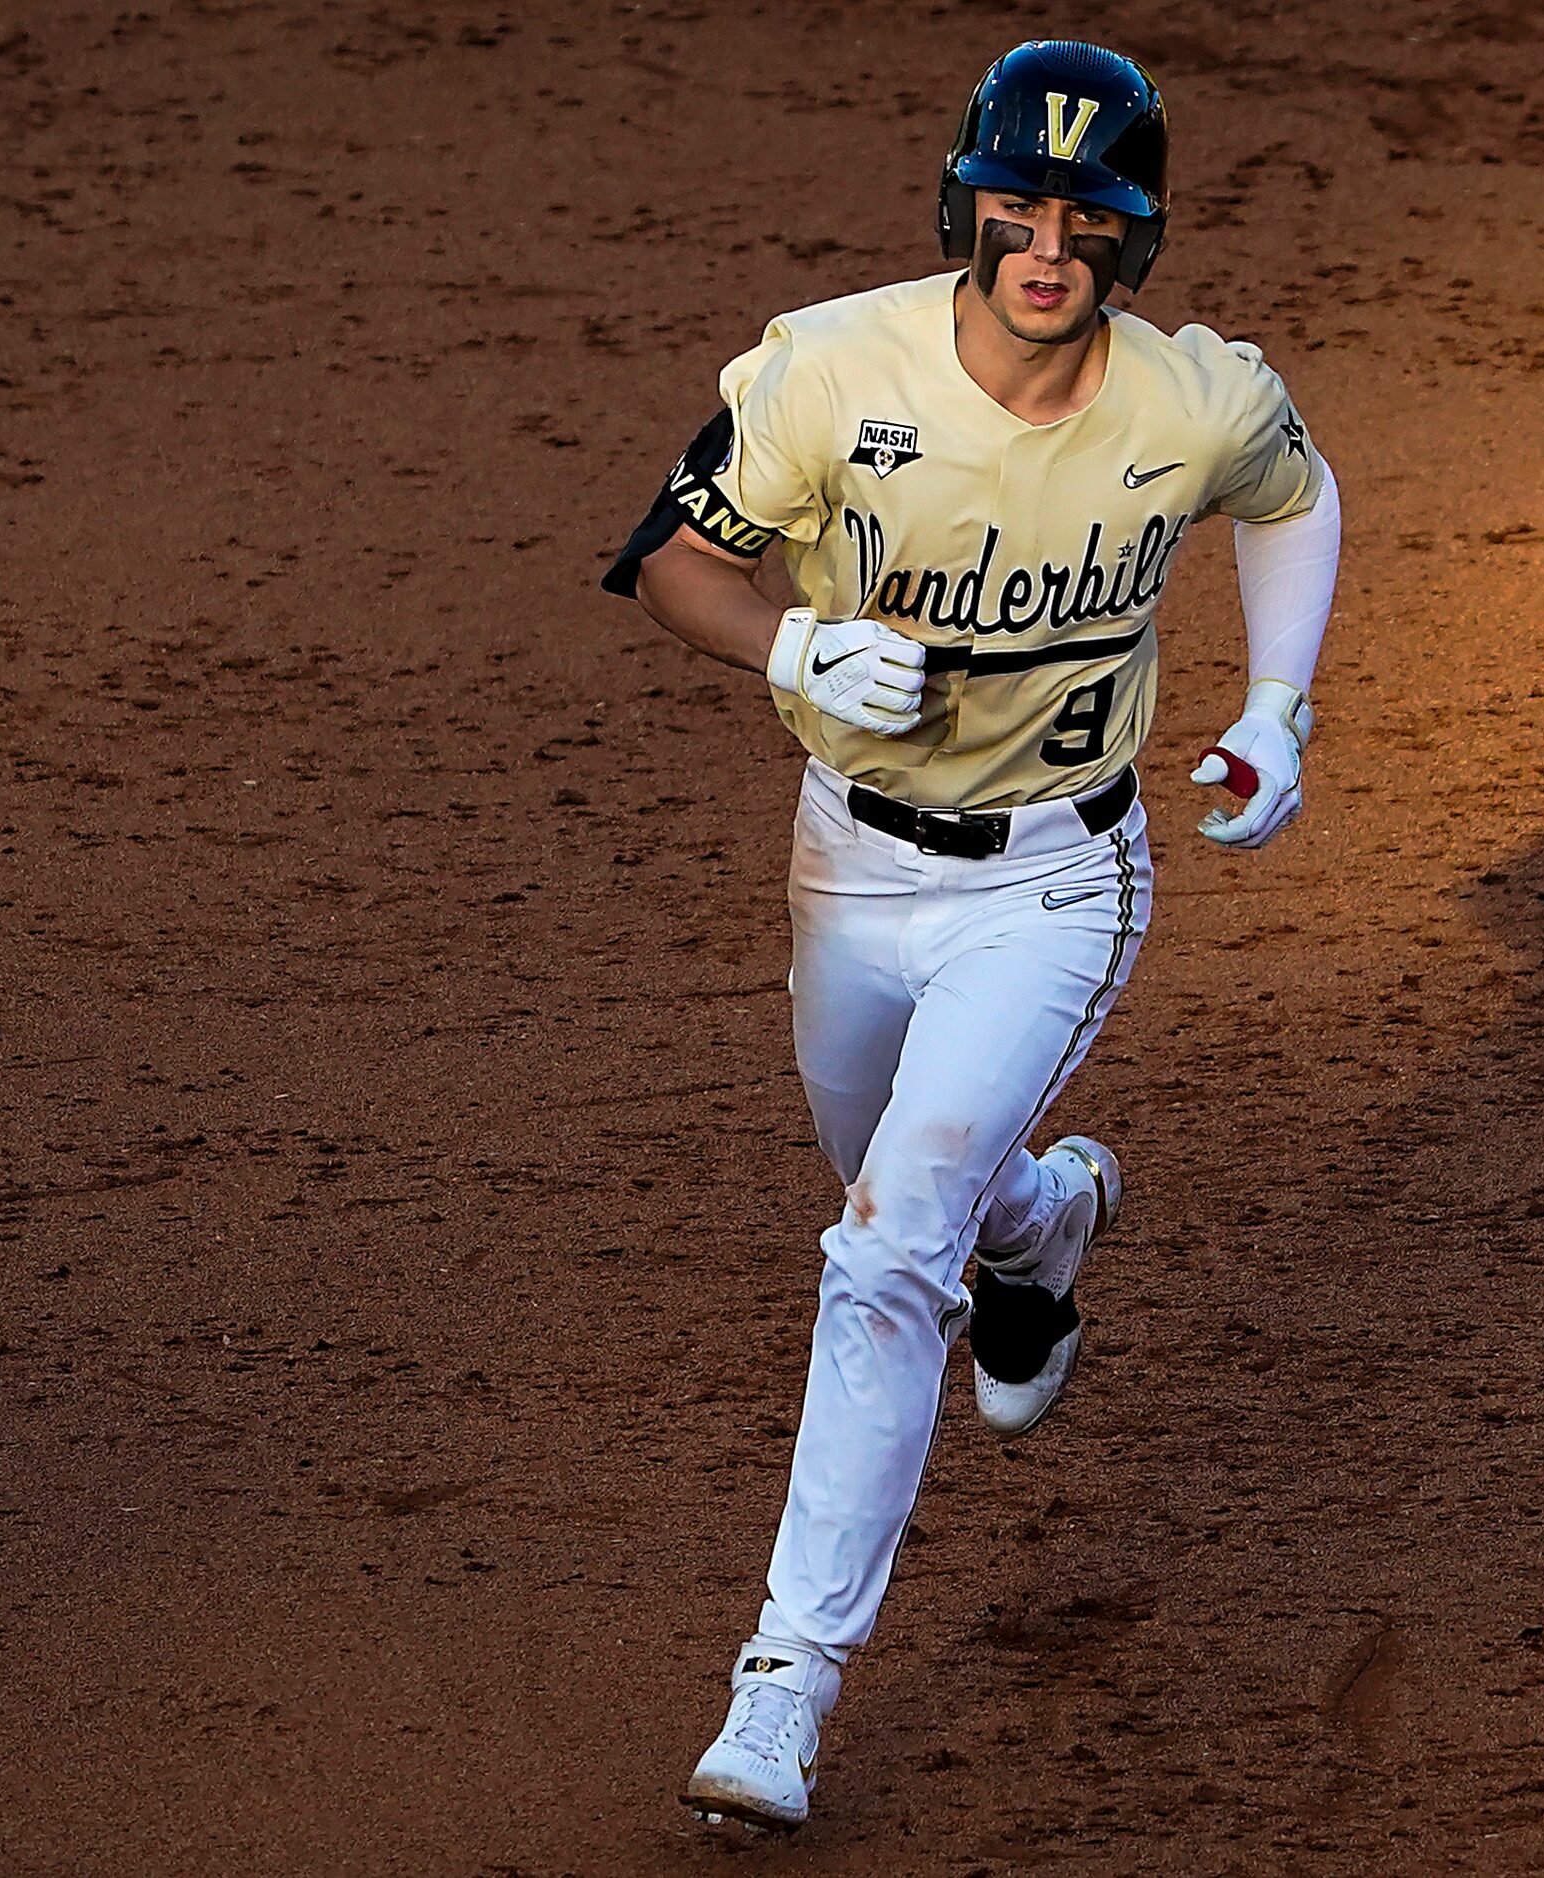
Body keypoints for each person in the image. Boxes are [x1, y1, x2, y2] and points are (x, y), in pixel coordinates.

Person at [596, 39, 1342, 1832]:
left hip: (1057, 880)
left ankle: (781, 1686)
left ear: (1132, 239)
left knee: (881, 1246)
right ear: (966, 203)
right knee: (919, 1193)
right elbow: (668, 558)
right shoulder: (828, 370)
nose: (1047, 244)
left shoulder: (1192, 400)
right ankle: (1052, 1211)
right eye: (1019, 205)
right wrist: (784, 644)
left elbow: (1294, 494)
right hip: (849, 872)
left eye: (1088, 217)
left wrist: (1283, 702)